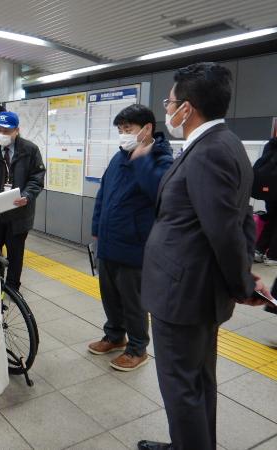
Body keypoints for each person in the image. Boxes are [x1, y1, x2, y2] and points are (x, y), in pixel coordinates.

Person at [137, 62, 270, 450]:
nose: (168, 109)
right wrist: (243, 274)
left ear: (188, 108)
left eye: (170, 102)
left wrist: (242, 283)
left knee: (182, 389)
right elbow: (239, 217)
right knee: (196, 382)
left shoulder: (208, 152)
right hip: (194, 290)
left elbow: (225, 231)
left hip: (182, 296)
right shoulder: (226, 143)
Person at [89, 104, 173, 371]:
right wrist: (96, 227)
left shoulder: (161, 160)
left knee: (133, 300)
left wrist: (143, 159)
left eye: (128, 129)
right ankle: (115, 336)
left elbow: (161, 195)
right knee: (110, 295)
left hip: (135, 244)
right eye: (121, 129)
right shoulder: (118, 158)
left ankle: (138, 348)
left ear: (147, 129)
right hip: (109, 240)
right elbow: (103, 194)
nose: (123, 134)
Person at [0, 111, 45, 291]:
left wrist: (27, 196)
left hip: (19, 214)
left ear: (17, 130)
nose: (2, 134)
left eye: (7, 131)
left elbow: (37, 178)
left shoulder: (30, 150)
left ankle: (12, 288)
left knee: (15, 254)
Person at [253, 137, 277, 264]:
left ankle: (259, 250)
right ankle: (273, 256)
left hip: (270, 191)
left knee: (271, 219)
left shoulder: (270, 144)